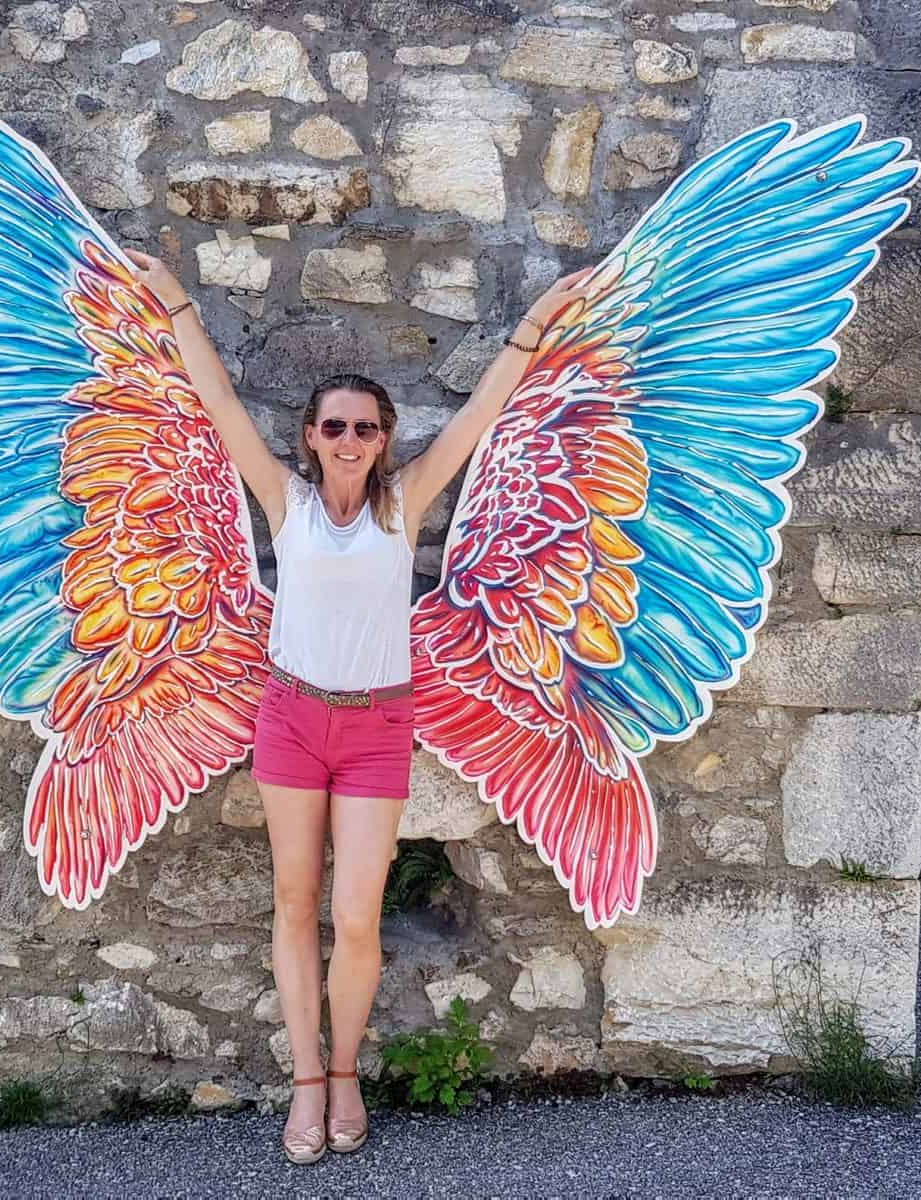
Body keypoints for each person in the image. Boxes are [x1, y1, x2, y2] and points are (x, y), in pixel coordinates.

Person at [123, 247, 589, 1164]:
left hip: (379, 727)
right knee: (295, 907)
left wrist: (534, 327)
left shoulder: (403, 505)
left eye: (366, 428)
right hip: (292, 720)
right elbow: (217, 407)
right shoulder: (286, 505)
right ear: (309, 435)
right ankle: (303, 1087)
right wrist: (175, 304)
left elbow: (482, 414)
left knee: (358, 919)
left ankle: (345, 1075)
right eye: (334, 426)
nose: (348, 439)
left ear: (384, 438)